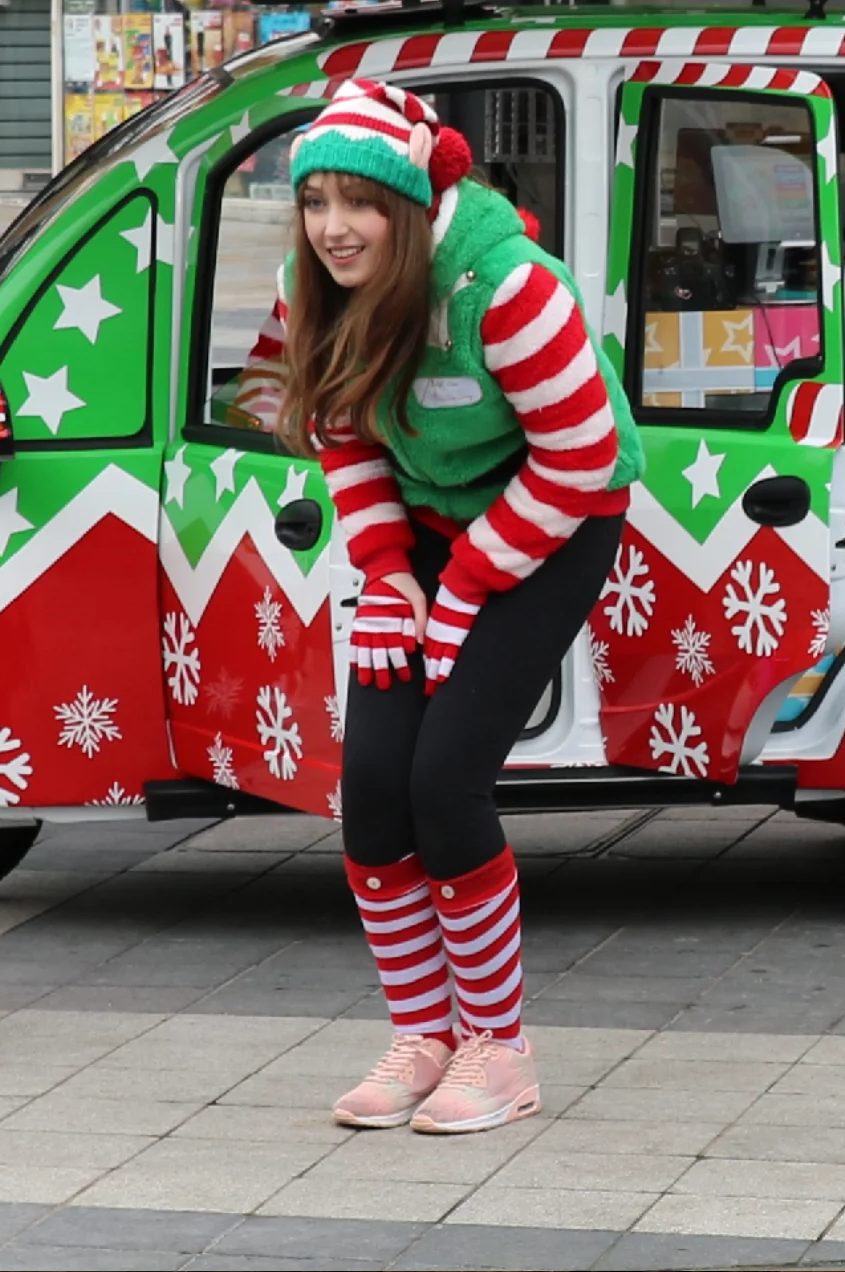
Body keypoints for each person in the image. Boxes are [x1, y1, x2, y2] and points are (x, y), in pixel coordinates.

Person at [272, 79, 640, 1135]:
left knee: (446, 780)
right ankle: (423, 1035)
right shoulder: (320, 288)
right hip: (430, 527)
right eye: (316, 202)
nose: (334, 228)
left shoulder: (506, 290)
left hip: (557, 517)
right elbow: (342, 437)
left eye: (362, 204)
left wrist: (467, 586)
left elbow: (582, 455)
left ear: (413, 207)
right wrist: (387, 575)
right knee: (375, 790)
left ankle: (499, 1050)